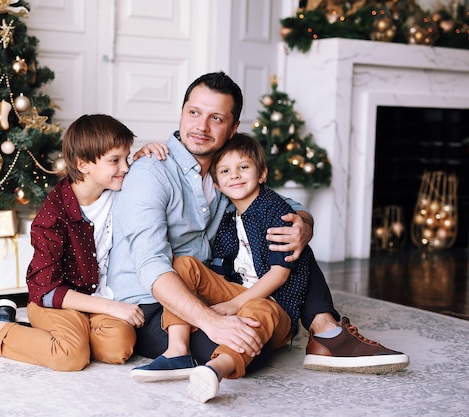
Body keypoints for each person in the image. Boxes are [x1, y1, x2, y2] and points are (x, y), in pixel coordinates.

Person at [107, 72, 408, 383]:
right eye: (194, 112)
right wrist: (211, 321)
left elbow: (277, 204)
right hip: (150, 307)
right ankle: (196, 351)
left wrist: (303, 224)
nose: (201, 127)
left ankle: (324, 329)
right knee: (251, 342)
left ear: (233, 128)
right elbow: (151, 266)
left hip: (201, 288)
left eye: (216, 118)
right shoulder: (150, 174)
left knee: (287, 232)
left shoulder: (221, 177)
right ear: (182, 112)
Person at [133, 133, 312, 402]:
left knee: (256, 309)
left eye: (244, 167)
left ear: (262, 174)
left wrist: (234, 305)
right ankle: (177, 350)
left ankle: (217, 368)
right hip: (236, 290)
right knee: (183, 265)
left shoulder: (276, 212)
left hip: (275, 305)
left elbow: (279, 273)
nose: (235, 176)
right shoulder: (227, 212)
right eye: (226, 171)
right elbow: (219, 268)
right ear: (216, 184)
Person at [0, 114, 145, 371]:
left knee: (120, 345)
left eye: (127, 158)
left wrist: (147, 154)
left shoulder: (118, 190)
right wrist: (111, 307)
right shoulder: (53, 215)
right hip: (55, 303)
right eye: (115, 161)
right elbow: (45, 290)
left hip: (93, 300)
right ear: (83, 164)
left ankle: (54, 336)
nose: (125, 167)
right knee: (70, 356)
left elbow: (146, 175)